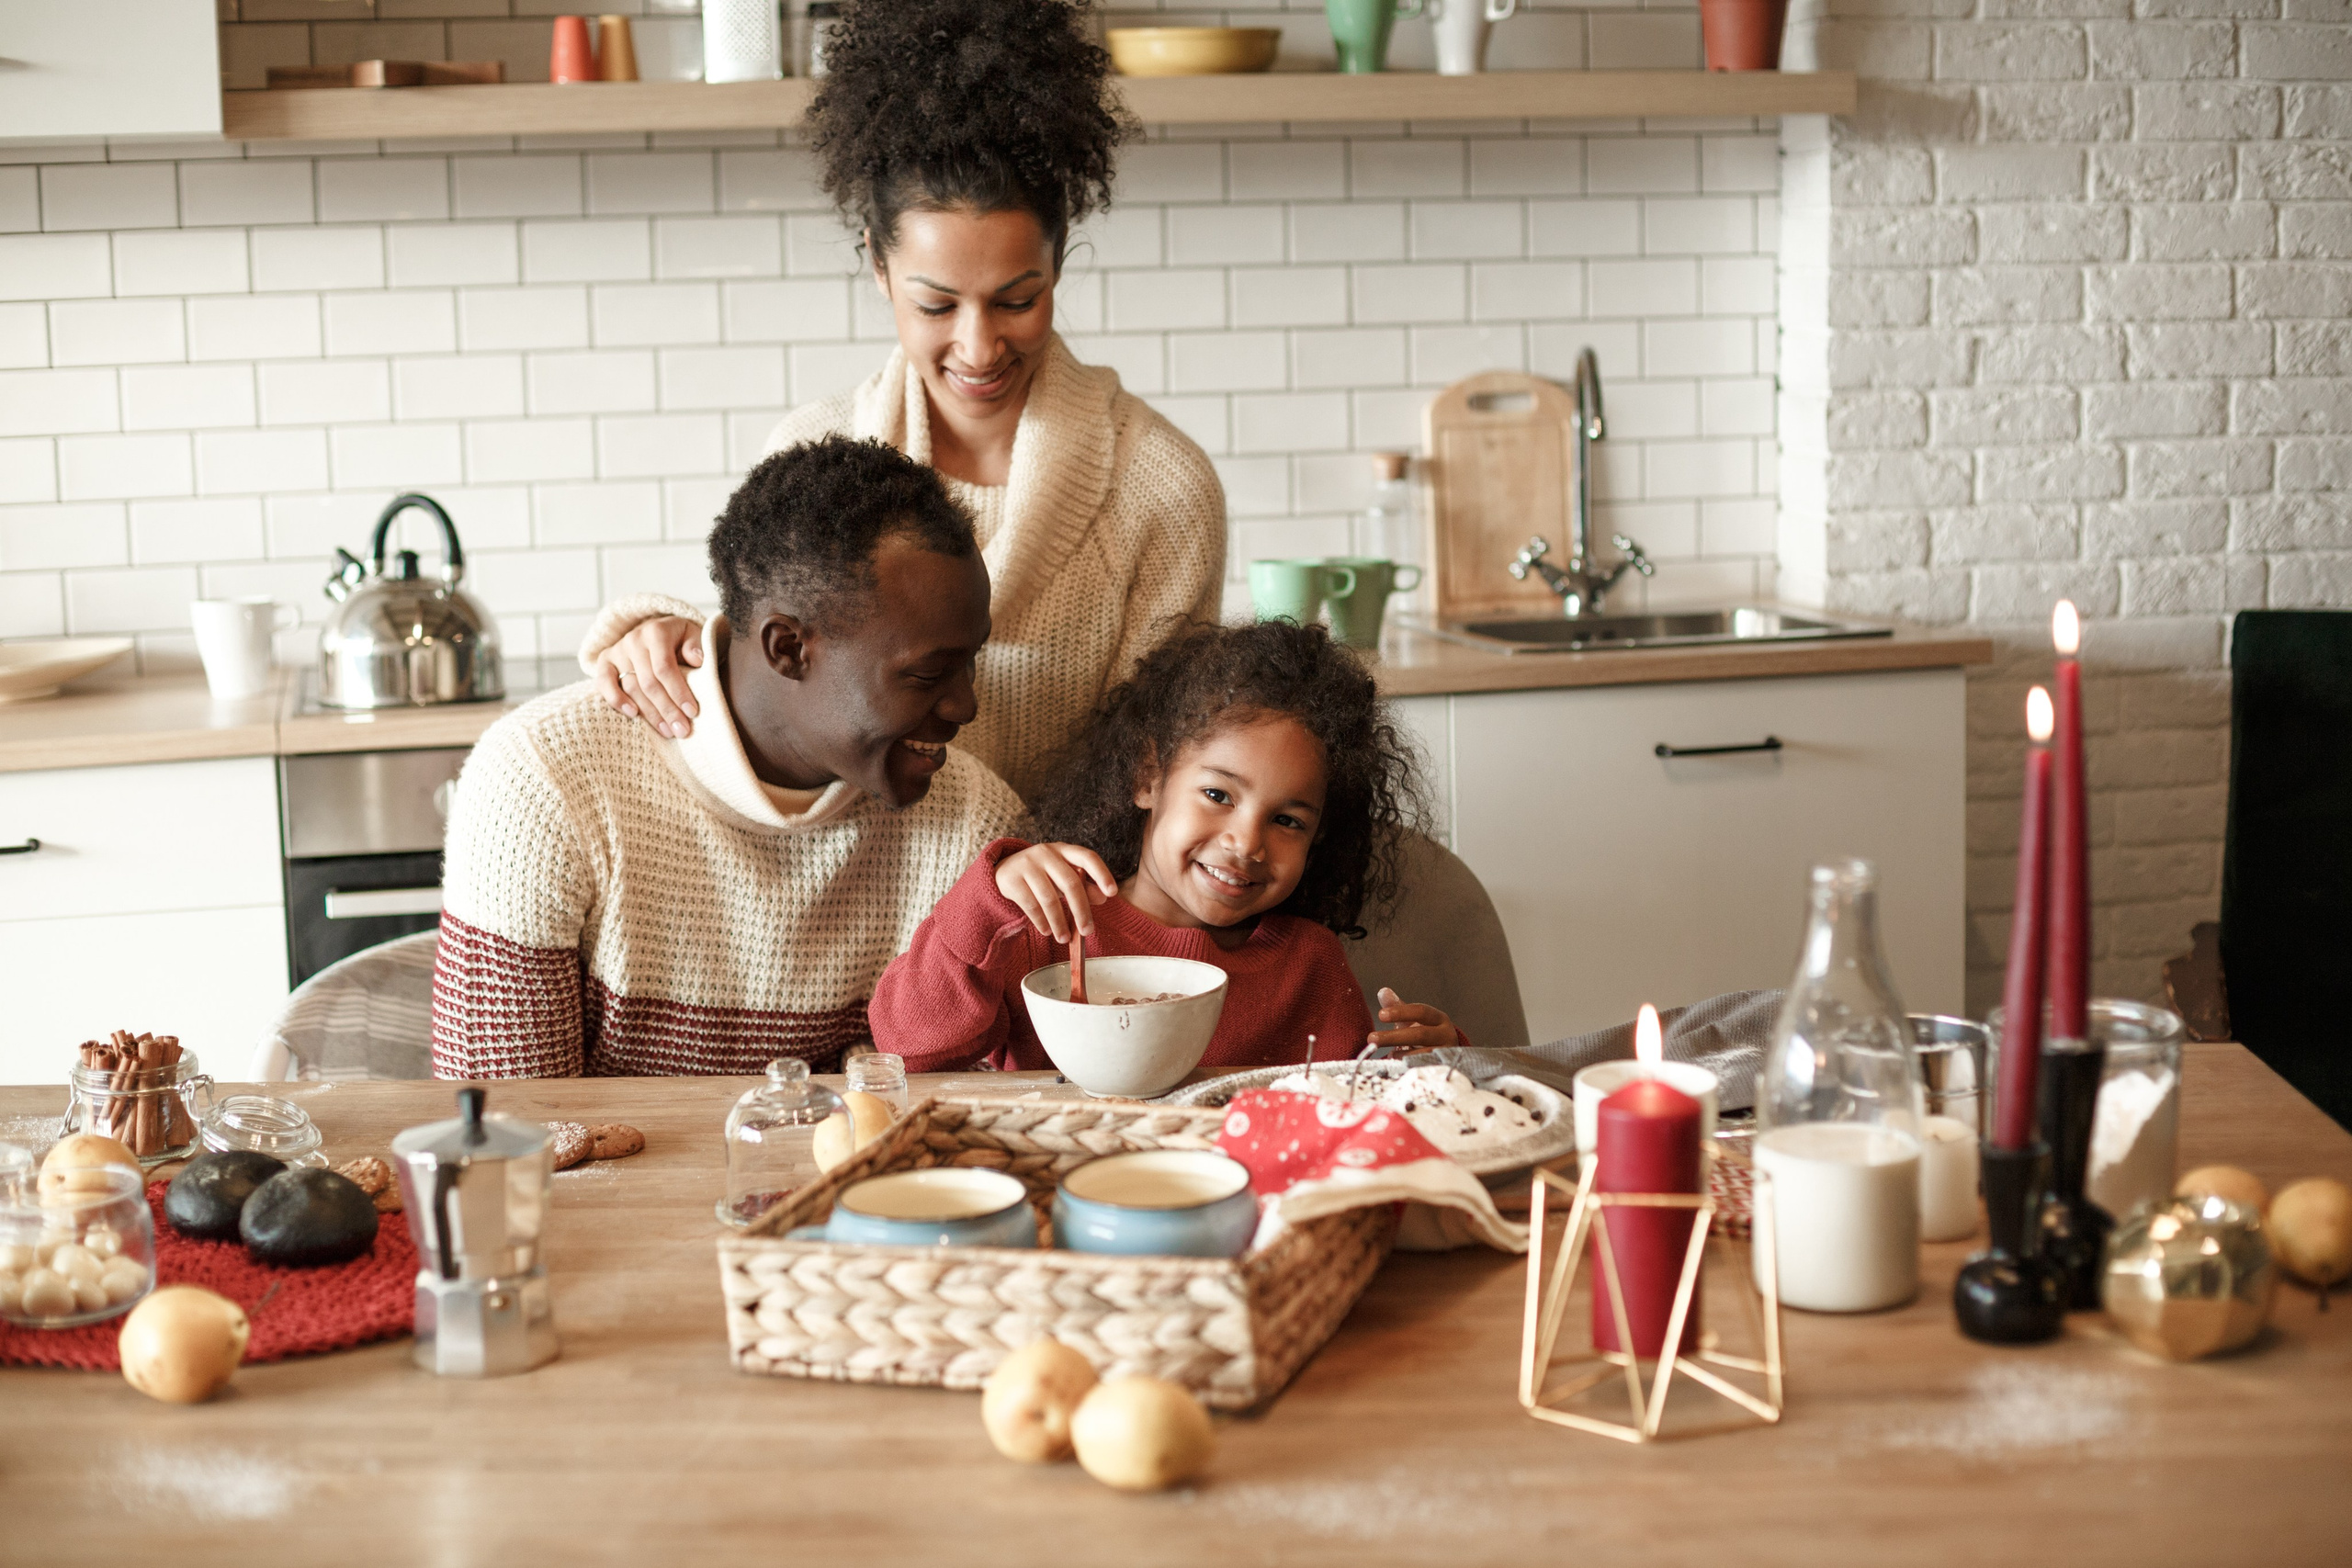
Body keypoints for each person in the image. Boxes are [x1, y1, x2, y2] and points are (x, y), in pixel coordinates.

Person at [579, 0, 1225, 806]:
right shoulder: (817, 447)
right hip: (845, 909)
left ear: (1060, 260)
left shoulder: (1163, 491)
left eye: (1018, 299)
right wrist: (665, 644)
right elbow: (771, 689)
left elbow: (1161, 784)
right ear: (878, 268)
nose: (981, 346)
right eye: (937, 305)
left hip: (1063, 917)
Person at [432, 437, 1024, 1078]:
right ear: (788, 647)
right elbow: (500, 1136)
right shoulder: (543, 781)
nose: (966, 705)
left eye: (972, 660)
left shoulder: (975, 825)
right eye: (930, 672)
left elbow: (982, 1120)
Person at [867, 621, 1465, 1074]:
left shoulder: (1310, 965)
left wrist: (1447, 1062)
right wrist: (988, 900)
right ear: (1148, 775)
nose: (1246, 842)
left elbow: (1360, 1110)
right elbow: (906, 1048)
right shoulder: (1049, 923)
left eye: (1287, 819)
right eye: (1217, 793)